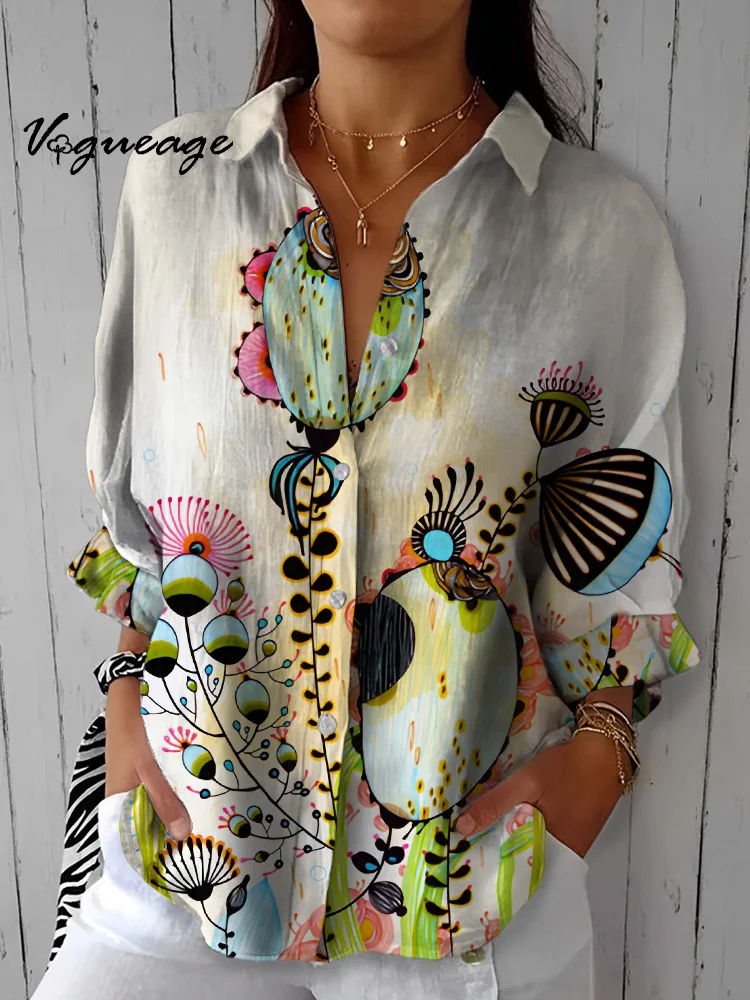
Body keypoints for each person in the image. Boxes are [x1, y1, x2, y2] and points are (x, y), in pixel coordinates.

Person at [31, 1, 701, 998]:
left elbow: (616, 563)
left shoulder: (596, 229)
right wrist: (127, 695)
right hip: (184, 867)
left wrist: (591, 771)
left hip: (466, 900)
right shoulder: (175, 187)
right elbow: (144, 524)